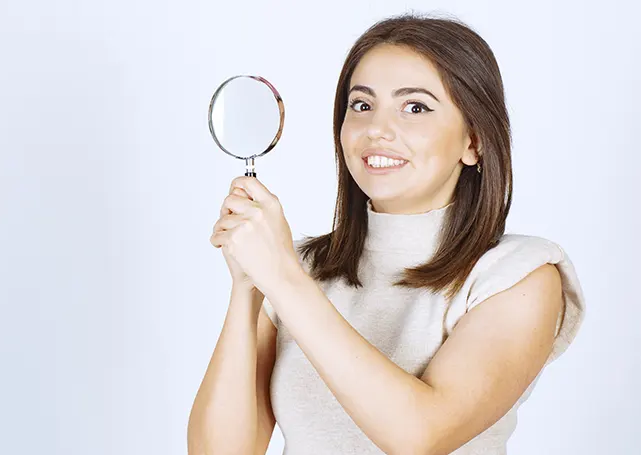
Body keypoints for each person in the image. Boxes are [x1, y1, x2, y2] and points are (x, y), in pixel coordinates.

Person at [188, 13, 585, 455]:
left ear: (474, 141)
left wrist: (282, 279)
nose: (376, 129)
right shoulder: (301, 266)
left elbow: (421, 435)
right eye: (361, 105)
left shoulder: (519, 276)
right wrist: (248, 287)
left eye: (415, 107)